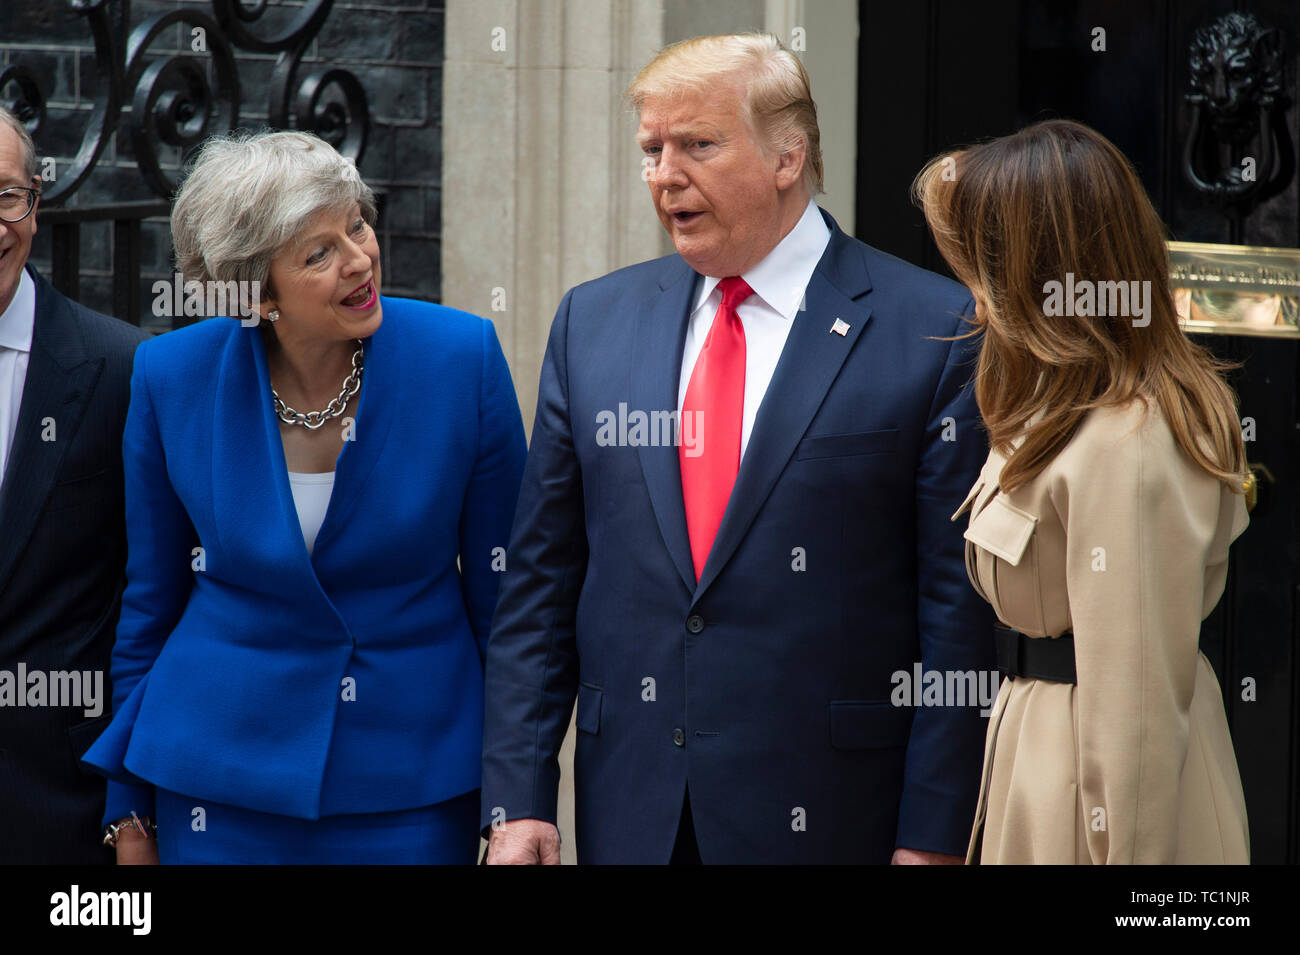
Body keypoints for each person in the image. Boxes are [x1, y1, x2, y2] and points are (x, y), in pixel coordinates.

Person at [481, 33, 995, 865]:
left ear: (787, 157)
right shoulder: (592, 323)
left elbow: (957, 615)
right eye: (652, 150)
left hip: (832, 816)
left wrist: (933, 838)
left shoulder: (934, 328)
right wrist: (519, 800)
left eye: (697, 145)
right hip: (635, 812)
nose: (665, 174)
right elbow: (540, 583)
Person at [81, 130, 527, 864]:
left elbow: (507, 606)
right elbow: (150, 603)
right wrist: (128, 810)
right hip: (214, 781)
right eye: (319, 253)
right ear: (256, 294)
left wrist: (517, 797)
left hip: (411, 780)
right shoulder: (170, 376)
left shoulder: (461, 360)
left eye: (357, 225)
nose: (359, 259)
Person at [915, 118, 1251, 864]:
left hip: (1094, 798)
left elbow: (1135, 712)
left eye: (985, 273)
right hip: (1047, 765)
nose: (977, 304)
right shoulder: (1066, 410)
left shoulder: (1126, 439)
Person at [0, 106, 150, 863]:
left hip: (64, 808)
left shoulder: (124, 369)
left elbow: (154, 601)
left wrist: (133, 811)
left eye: (6, 197)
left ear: (35, 201)